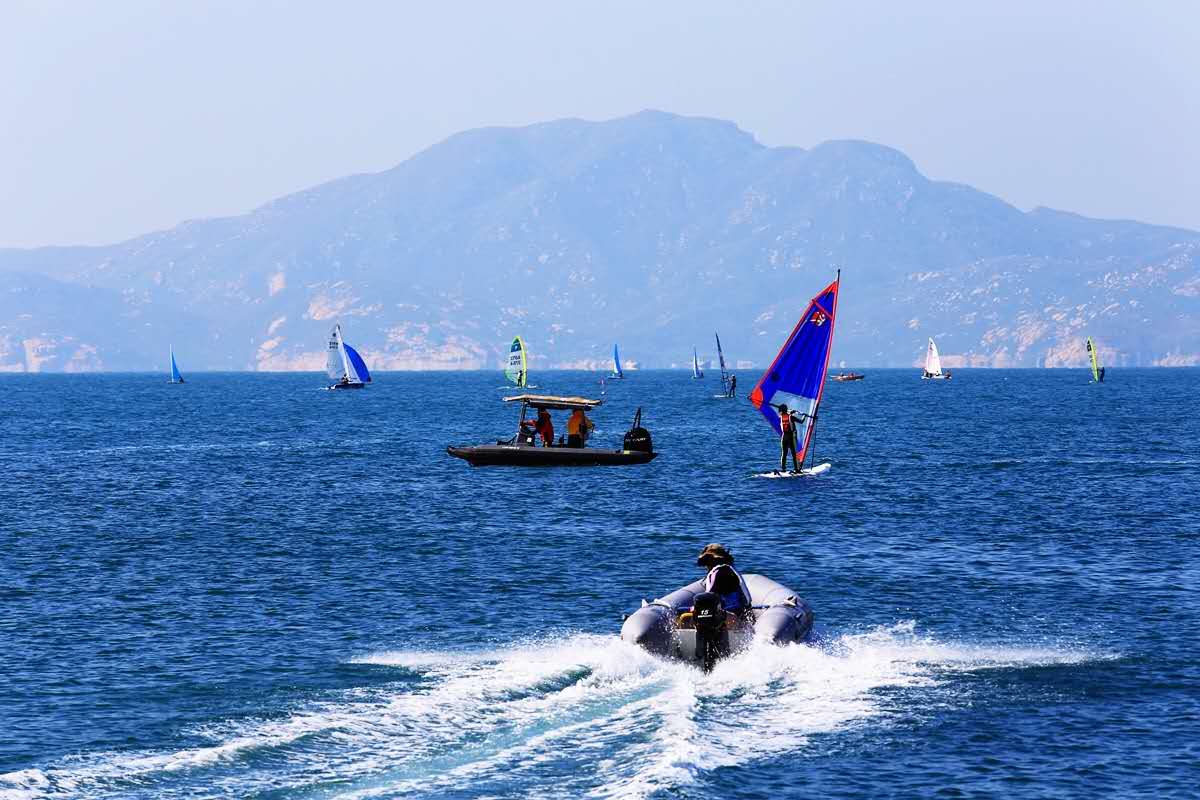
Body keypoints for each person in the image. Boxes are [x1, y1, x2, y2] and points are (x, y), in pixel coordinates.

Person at [695, 543, 751, 618]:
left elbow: (710, 597)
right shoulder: (729, 570)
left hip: (732, 614)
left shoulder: (719, 573)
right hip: (740, 611)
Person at [772, 402, 805, 473]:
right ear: (786, 410)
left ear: (781, 411)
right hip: (791, 437)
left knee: (784, 453)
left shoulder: (781, 417)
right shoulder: (791, 417)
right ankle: (796, 469)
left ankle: (783, 469)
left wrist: (791, 412)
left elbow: (785, 415)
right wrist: (804, 415)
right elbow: (801, 421)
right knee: (794, 454)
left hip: (784, 437)